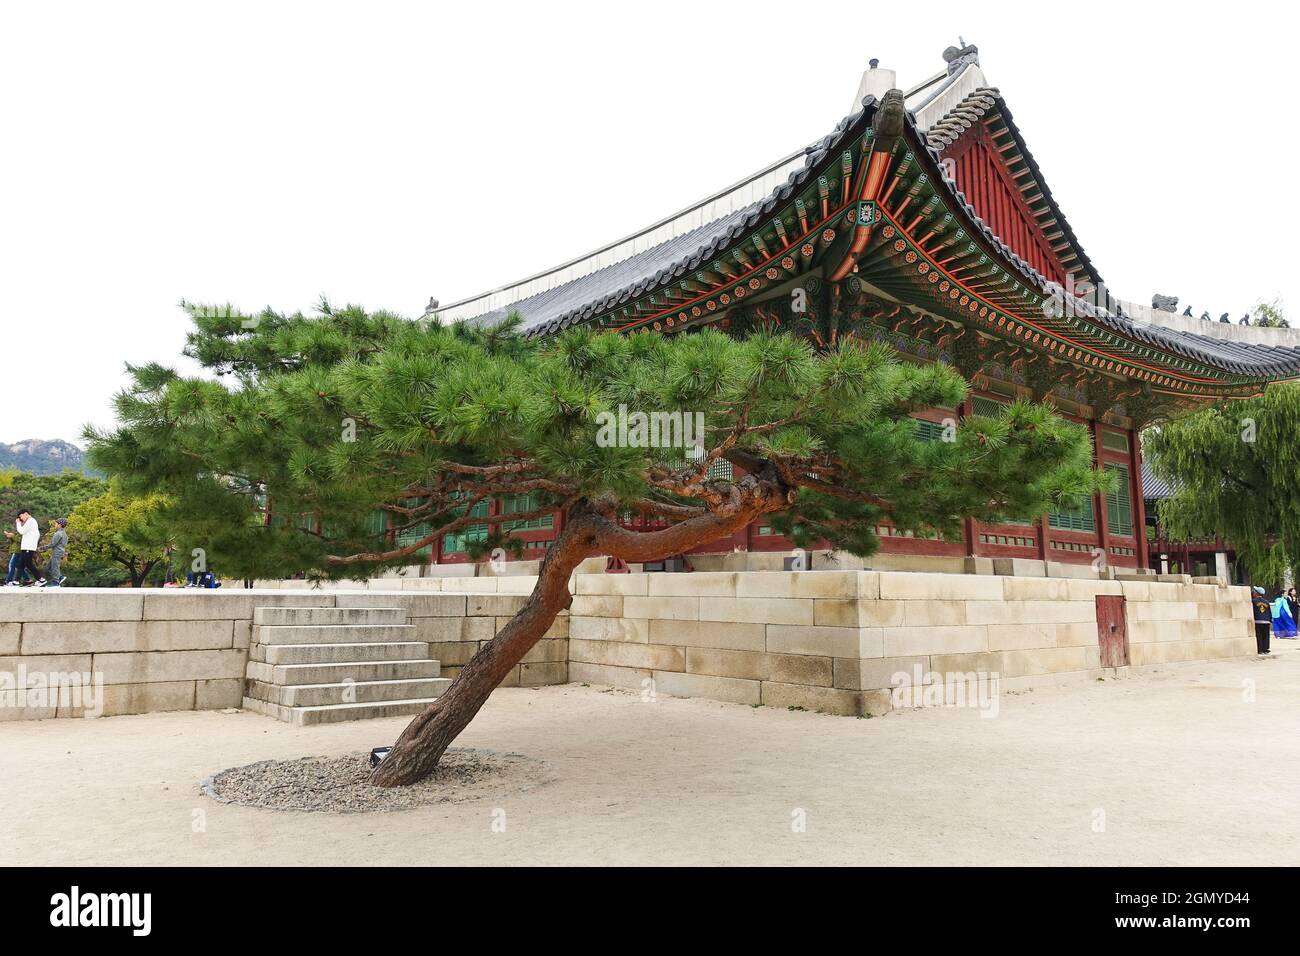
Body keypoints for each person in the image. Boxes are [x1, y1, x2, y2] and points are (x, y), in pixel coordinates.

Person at [3, 510, 43, 587]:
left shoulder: (31, 521)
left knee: (27, 564)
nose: (20, 519)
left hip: (28, 547)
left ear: (26, 514)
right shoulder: (31, 522)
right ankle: (17, 581)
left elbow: (21, 531)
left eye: (20, 517)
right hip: (26, 547)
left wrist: (18, 523)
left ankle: (41, 579)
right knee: (21, 565)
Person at [38, 518, 68, 588]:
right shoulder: (64, 534)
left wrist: (42, 548)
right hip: (59, 552)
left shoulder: (58, 533)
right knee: (48, 568)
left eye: (56, 523)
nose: (55, 524)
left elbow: (52, 544)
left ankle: (56, 583)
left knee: (55, 567)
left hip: (57, 553)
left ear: (60, 525)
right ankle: (60, 577)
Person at [1252, 586, 1273, 654]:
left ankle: (1260, 650)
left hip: (1258, 620)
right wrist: (1270, 620)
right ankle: (1265, 649)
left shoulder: (1253, 601)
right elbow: (1269, 612)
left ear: (1256, 593)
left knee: (1259, 635)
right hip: (1266, 621)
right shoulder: (1266, 602)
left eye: (1254, 592)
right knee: (1266, 635)